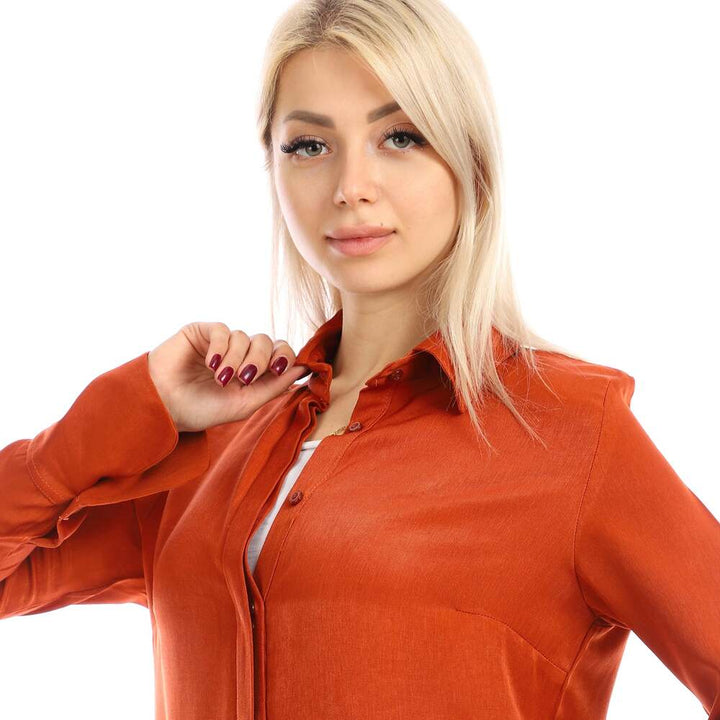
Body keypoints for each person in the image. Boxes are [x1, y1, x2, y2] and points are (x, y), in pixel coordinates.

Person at [1, 1, 719, 718]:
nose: (350, 188)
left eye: (400, 137)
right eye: (309, 146)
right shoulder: (211, 445)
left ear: (468, 157)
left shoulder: (569, 434)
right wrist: (138, 403)